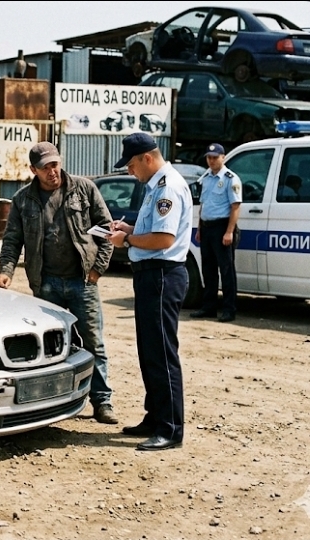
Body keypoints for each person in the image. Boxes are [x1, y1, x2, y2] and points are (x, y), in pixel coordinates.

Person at [0, 141, 118, 425]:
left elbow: (106, 229)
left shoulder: (83, 189)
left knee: (93, 343)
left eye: (55, 164)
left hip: (81, 282)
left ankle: (102, 402)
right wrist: (5, 271)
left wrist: (98, 269)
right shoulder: (23, 200)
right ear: (33, 170)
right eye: (46, 167)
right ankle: (56, 402)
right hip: (46, 285)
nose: (53, 171)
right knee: (53, 346)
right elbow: (12, 240)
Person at [107, 132, 193, 452]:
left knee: (161, 353)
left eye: (131, 165)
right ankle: (155, 416)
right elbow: (152, 232)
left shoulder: (166, 186)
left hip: (161, 275)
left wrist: (127, 242)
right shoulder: (156, 185)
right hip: (150, 276)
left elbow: (163, 239)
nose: (130, 171)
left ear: (147, 158)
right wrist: (130, 230)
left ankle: (170, 428)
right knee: (149, 351)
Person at [191, 143, 242, 323]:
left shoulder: (231, 179)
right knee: (208, 269)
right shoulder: (206, 178)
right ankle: (209, 307)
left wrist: (229, 232)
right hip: (206, 227)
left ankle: (229, 309)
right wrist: (199, 227)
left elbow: (235, 207)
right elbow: (204, 204)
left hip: (222, 227)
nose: (211, 161)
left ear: (223, 157)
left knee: (226, 270)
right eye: (209, 157)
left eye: (215, 157)